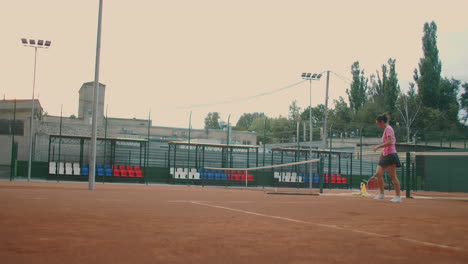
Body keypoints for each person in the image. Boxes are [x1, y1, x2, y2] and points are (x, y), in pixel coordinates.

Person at [372, 113, 402, 203]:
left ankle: (398, 197)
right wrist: (381, 155)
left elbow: (389, 142)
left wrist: (378, 147)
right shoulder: (386, 129)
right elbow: (386, 145)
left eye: (378, 123)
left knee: (393, 176)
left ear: (382, 122)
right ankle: (381, 194)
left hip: (391, 155)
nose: (378, 125)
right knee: (378, 173)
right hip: (386, 155)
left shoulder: (388, 129)